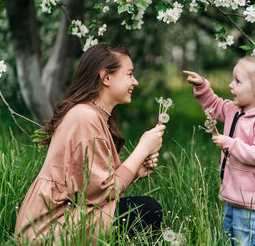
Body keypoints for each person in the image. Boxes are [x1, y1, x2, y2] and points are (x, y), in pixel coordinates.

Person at [15, 44, 165, 243]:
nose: (135, 82)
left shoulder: (92, 115)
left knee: (140, 211)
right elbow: (103, 193)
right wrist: (143, 148)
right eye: (129, 74)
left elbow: (93, 188)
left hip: (65, 217)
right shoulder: (84, 117)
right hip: (48, 229)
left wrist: (135, 170)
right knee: (146, 211)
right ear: (106, 77)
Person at [183, 49, 255, 246]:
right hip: (232, 199)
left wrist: (230, 144)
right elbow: (214, 106)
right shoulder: (235, 110)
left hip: (253, 206)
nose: (231, 85)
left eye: (238, 81)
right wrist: (202, 86)